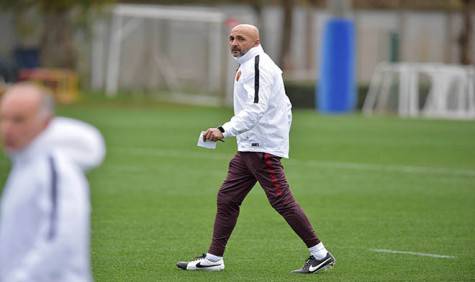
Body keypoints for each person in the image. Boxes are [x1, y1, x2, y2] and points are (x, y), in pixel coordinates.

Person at [176, 24, 335, 274]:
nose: (234, 43)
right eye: (231, 38)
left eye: (241, 39)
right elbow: (283, 104)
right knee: (227, 198)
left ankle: (320, 254)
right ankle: (214, 258)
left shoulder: (259, 66)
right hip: (251, 145)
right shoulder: (249, 65)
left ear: (256, 41)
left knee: (281, 200)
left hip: (261, 147)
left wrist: (224, 130)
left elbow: (256, 109)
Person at [0, 82, 105, 281]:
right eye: (3, 119)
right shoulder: (25, 163)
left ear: (46, 122)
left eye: (18, 120)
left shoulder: (53, 169)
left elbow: (59, 239)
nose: (7, 129)